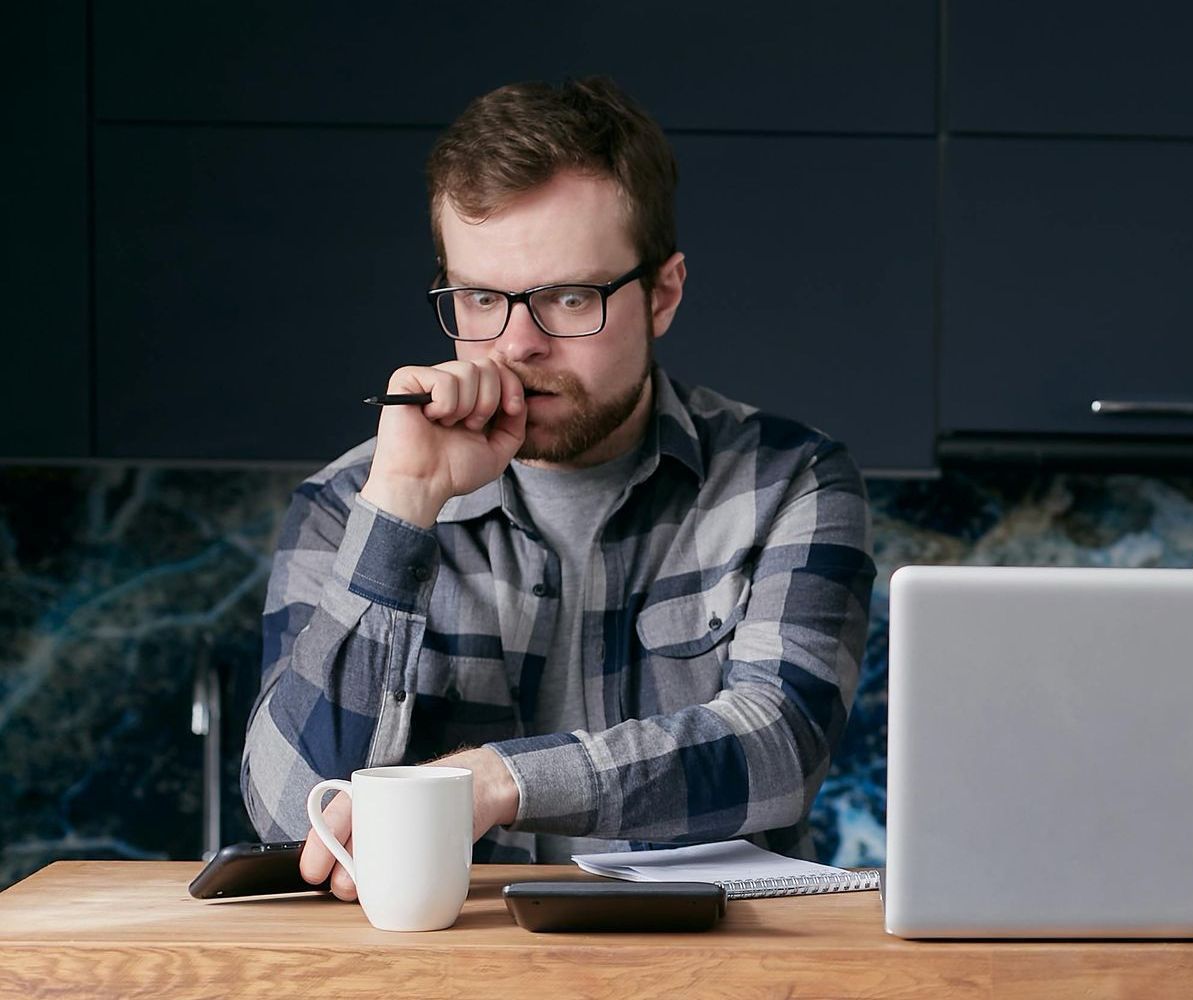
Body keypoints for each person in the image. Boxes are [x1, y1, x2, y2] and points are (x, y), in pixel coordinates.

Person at [241, 77, 875, 900]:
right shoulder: (350, 502)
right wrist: (403, 505)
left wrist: (497, 780)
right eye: (481, 299)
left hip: (705, 973)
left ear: (664, 294)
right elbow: (293, 820)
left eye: (569, 298)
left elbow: (778, 748)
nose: (517, 344)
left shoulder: (790, 480)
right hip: (438, 974)